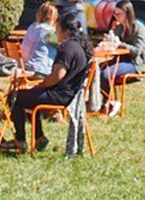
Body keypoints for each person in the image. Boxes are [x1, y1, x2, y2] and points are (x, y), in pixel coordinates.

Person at [8, 11, 92, 152]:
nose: (55, 32)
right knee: (29, 96)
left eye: (57, 29)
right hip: (72, 94)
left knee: (16, 97)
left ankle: (20, 140)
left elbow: (57, 76)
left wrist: (41, 85)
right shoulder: (81, 47)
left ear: (65, 31)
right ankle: (39, 137)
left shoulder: (67, 48)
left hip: (61, 95)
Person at [98, 0, 145, 114]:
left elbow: (137, 51)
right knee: (95, 69)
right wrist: (109, 41)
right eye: (115, 14)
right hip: (121, 59)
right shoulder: (119, 28)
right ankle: (103, 102)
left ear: (127, 14)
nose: (116, 17)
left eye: (119, 14)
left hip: (135, 63)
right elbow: (114, 45)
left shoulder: (138, 27)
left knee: (105, 74)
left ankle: (111, 102)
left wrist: (119, 44)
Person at [20, 2, 60, 77]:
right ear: (52, 16)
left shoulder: (32, 27)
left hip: (25, 66)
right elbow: (63, 47)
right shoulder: (49, 32)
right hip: (39, 70)